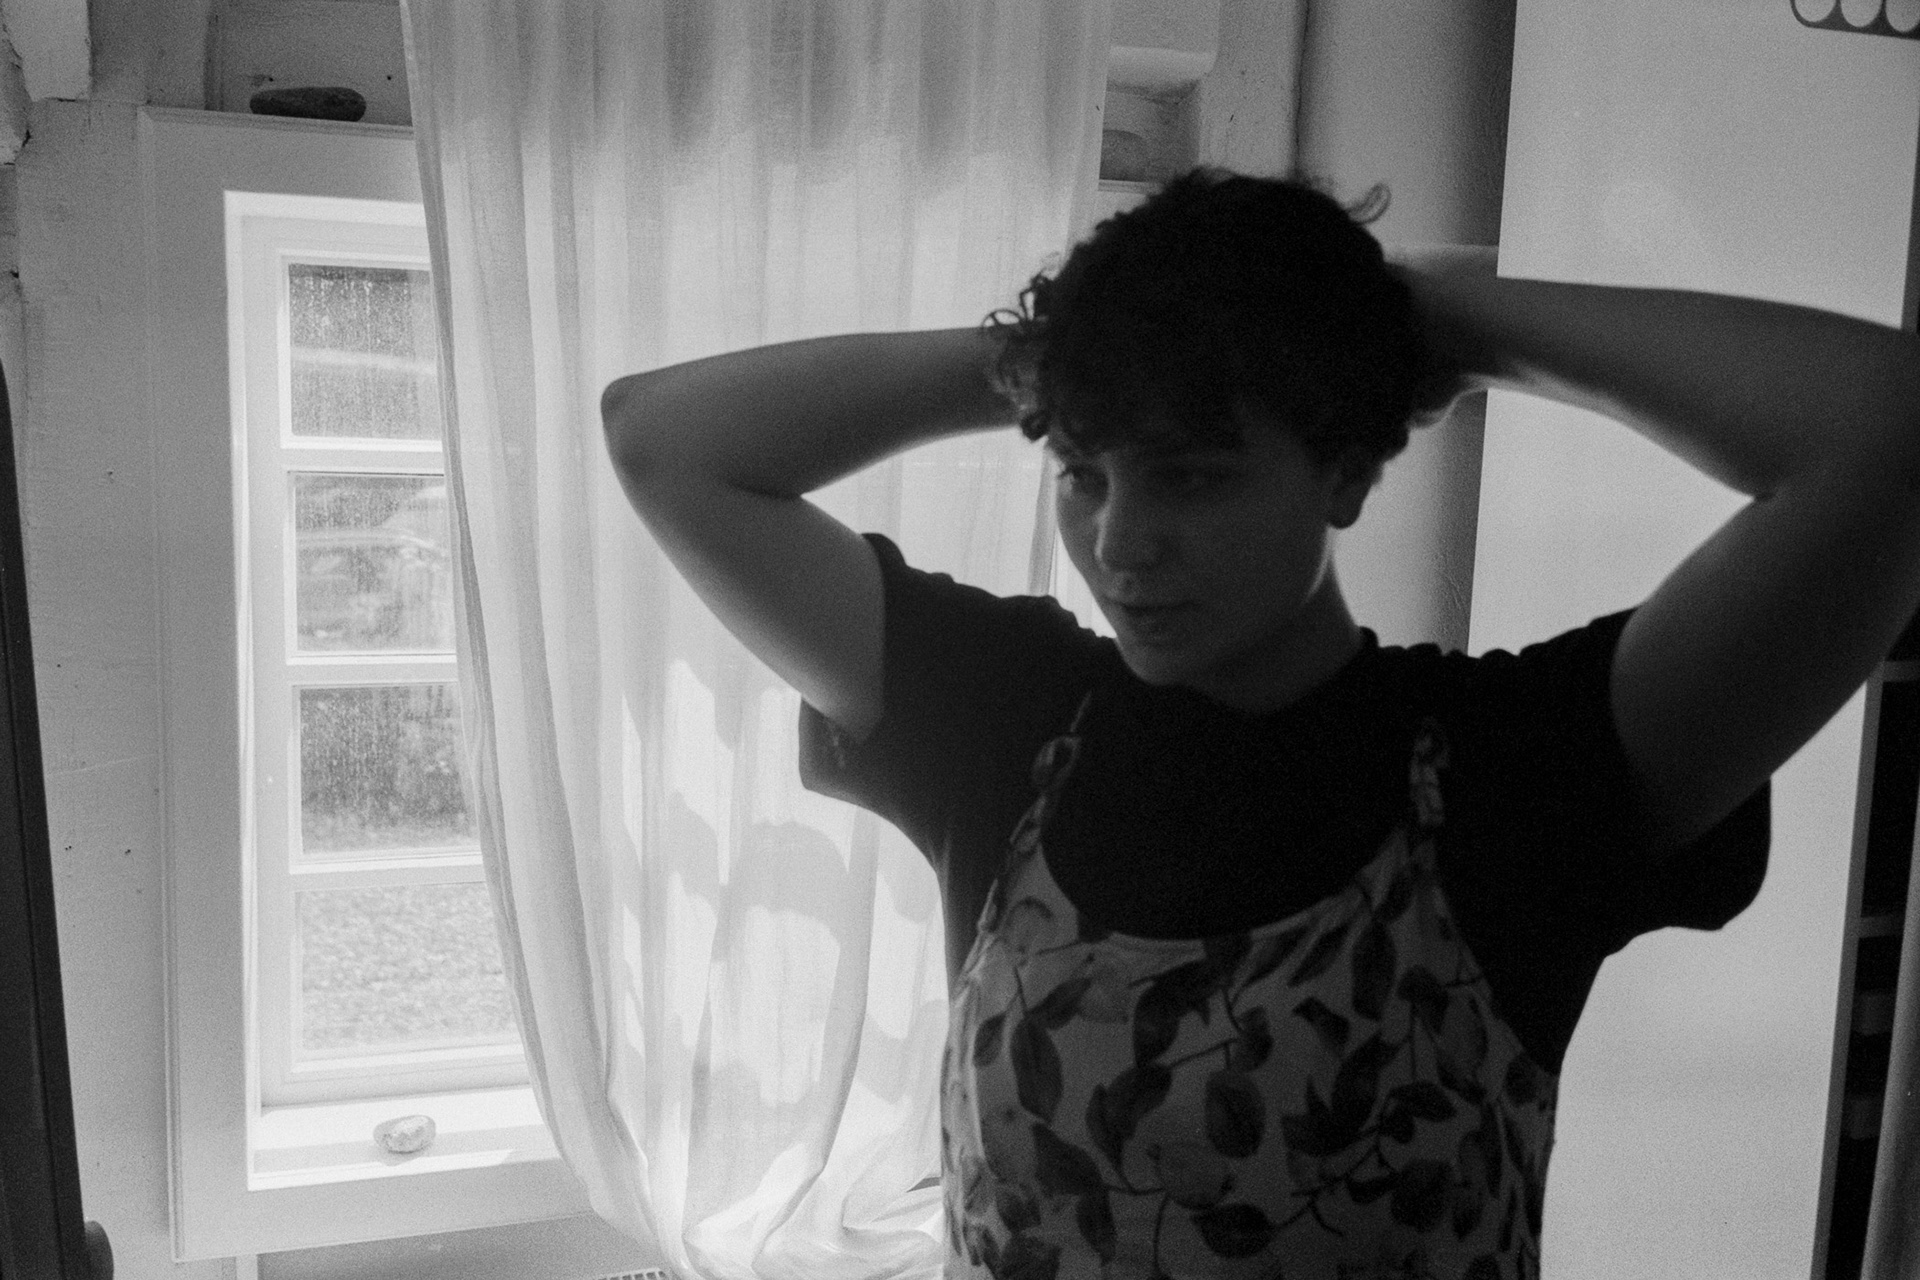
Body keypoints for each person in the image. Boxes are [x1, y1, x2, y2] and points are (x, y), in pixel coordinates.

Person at [601, 167, 1920, 1280]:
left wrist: (1431, 321)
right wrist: (1079, 353)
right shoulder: (1003, 719)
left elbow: (1890, 433)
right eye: (1081, 468)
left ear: (1347, 468)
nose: (1120, 542)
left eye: (1191, 474)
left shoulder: (1526, 771)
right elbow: (661, 435)